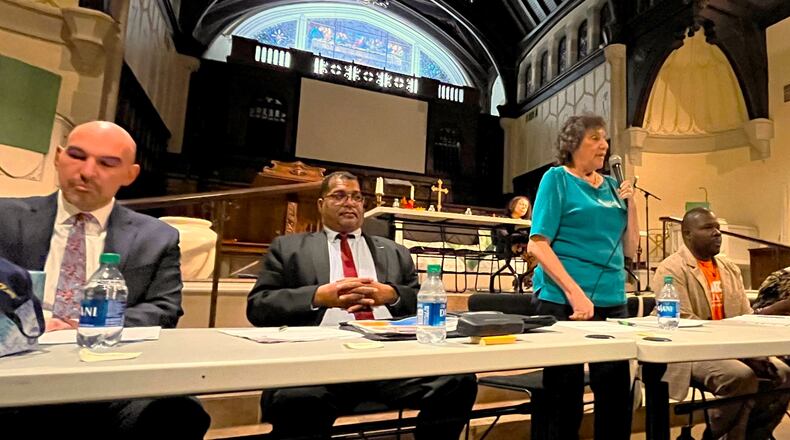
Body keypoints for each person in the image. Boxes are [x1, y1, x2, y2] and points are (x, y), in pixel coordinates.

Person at [0, 121, 209, 439]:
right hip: (17, 361)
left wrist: (90, 323)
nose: (87, 171)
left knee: (177, 410)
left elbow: (164, 309)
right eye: (77, 156)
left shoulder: (156, 237)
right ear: (58, 156)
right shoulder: (5, 218)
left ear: (130, 174)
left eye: (107, 163)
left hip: (111, 370)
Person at [247, 171, 478, 439]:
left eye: (356, 197)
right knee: (297, 397)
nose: (350, 203)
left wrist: (392, 295)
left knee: (458, 381)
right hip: (320, 363)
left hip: (388, 361)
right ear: (320, 204)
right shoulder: (289, 249)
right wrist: (318, 296)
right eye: (339, 196)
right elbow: (258, 306)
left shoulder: (394, 252)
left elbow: (421, 302)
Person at [526, 114, 639, 440]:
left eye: (605, 138)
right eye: (594, 138)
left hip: (612, 299)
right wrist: (575, 293)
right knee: (565, 400)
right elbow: (539, 244)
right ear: (572, 143)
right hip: (562, 300)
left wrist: (631, 206)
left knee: (617, 397)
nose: (604, 145)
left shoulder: (613, 187)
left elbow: (630, 247)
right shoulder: (557, 179)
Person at [653, 207, 790, 440]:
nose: (717, 233)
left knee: (783, 374)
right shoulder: (671, 269)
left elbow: (745, 316)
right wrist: (743, 354)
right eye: (708, 228)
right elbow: (682, 323)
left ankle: (752, 435)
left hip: (733, 346)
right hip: (691, 350)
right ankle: (716, 436)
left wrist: (751, 350)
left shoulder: (728, 268)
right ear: (687, 234)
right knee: (740, 377)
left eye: (717, 228)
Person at [492, 196, 536, 289]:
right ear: (513, 205)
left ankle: (525, 277)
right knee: (532, 252)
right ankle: (526, 277)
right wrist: (520, 235)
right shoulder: (502, 220)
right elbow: (504, 237)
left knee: (538, 252)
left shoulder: (528, 223)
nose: (524, 207)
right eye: (521, 204)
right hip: (507, 247)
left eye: (526, 206)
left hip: (526, 248)